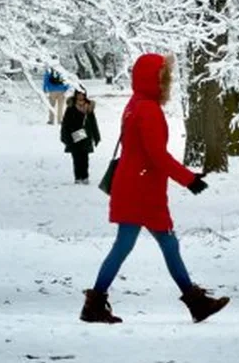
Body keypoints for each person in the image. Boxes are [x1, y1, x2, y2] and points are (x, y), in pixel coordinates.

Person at [79, 53, 230, 324]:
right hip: (143, 190)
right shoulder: (147, 109)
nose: (168, 84)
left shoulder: (135, 104)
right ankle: (195, 303)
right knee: (157, 244)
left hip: (134, 184)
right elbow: (156, 155)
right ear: (153, 81)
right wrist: (189, 180)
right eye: (164, 79)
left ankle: (96, 304)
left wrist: (186, 177)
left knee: (138, 245)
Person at [60, 90, 100, 183]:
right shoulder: (71, 107)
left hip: (86, 135)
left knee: (85, 158)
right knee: (76, 157)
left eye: (82, 94)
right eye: (79, 94)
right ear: (76, 95)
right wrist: (64, 136)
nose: (81, 96)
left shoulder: (89, 107)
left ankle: (85, 176)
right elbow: (65, 123)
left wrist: (96, 136)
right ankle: (78, 177)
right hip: (74, 135)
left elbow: (93, 122)